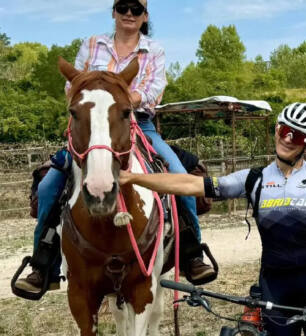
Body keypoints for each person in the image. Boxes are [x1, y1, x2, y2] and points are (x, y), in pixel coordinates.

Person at [15, 0, 215, 293]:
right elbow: (73, 89)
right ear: (114, 12)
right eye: (123, 7)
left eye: (136, 9)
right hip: (92, 124)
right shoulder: (92, 44)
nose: (129, 14)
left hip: (137, 123)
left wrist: (118, 99)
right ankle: (44, 263)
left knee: (174, 170)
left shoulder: (154, 50)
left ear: (145, 16)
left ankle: (191, 252)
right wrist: (100, 101)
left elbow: (153, 90)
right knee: (48, 187)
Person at [120, 102, 306, 335]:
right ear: (277, 130)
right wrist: (133, 178)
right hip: (274, 282)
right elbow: (188, 184)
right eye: (284, 130)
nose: (287, 139)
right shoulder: (253, 178)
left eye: (296, 137)